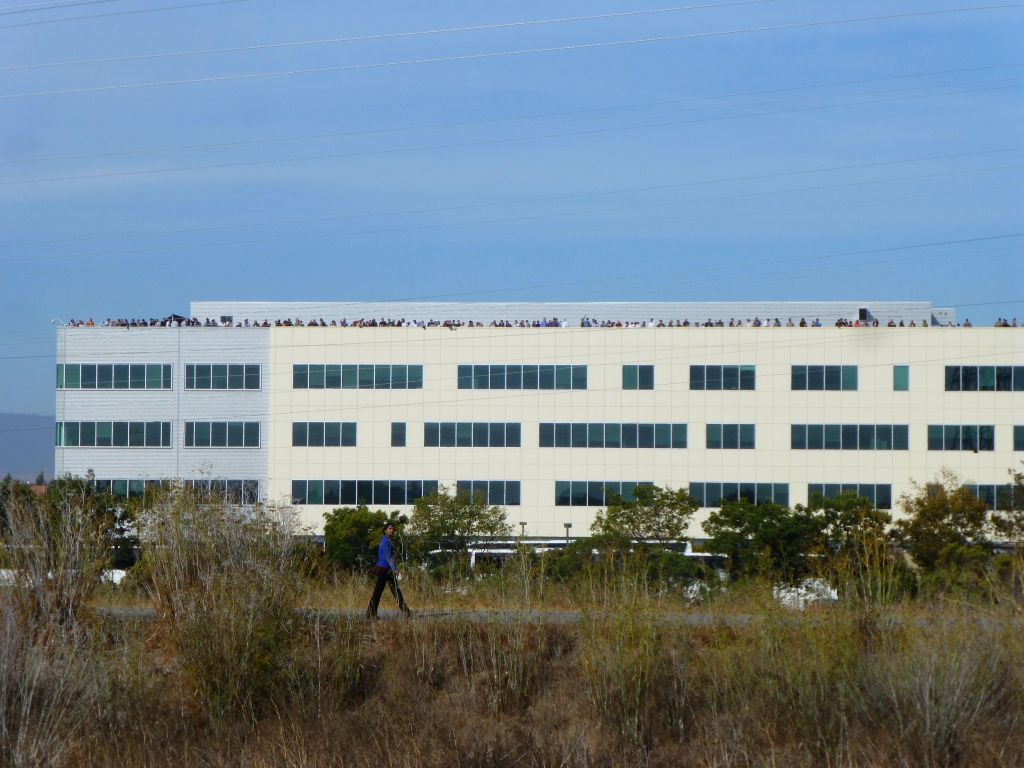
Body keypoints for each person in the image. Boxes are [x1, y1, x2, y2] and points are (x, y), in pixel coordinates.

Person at [366, 523, 411, 619]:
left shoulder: (390, 542)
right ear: (385, 530)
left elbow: (393, 557)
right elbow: (387, 557)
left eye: (393, 529)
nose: (392, 530)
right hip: (382, 570)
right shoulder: (384, 541)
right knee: (378, 592)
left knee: (396, 591)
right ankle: (370, 614)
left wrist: (394, 567)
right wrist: (395, 570)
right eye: (390, 528)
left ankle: (406, 612)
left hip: (389, 570)